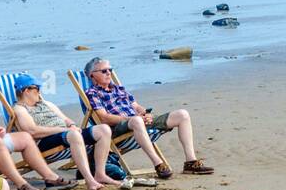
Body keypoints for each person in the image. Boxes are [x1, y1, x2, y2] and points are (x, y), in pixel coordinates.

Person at [83, 57, 214, 176]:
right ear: (92, 75)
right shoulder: (92, 93)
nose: (108, 73)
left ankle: (190, 162)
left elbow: (136, 106)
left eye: (110, 70)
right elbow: (104, 117)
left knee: (182, 115)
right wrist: (133, 119)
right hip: (118, 127)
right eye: (104, 71)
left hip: (138, 121)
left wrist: (146, 114)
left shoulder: (118, 88)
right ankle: (158, 163)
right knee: (137, 121)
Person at [9, 74, 117, 190]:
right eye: (37, 88)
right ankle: (90, 180)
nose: (40, 92)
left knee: (103, 129)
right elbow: (32, 131)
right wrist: (65, 130)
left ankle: (100, 174)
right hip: (45, 142)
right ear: (26, 90)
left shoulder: (47, 104)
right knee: (74, 135)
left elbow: (66, 120)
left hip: (67, 135)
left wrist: (71, 125)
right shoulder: (20, 109)